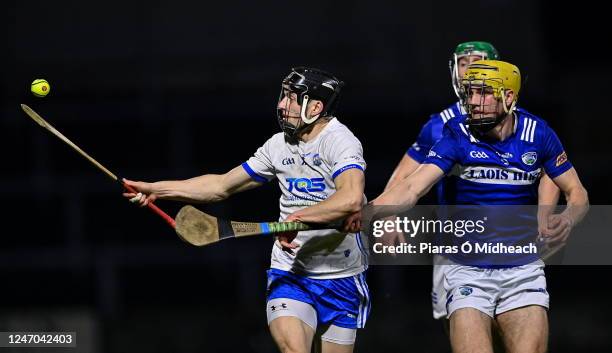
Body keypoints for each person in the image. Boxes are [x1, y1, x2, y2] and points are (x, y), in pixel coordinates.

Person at [123, 67, 370, 353]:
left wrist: (298, 218)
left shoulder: (340, 141)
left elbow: (351, 198)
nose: (281, 105)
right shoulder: (278, 146)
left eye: (291, 99)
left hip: (341, 276)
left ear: (315, 107)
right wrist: (157, 191)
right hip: (290, 272)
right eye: (283, 97)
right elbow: (220, 186)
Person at [368, 60, 588, 352]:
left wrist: (569, 219)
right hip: (467, 271)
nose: (472, 102)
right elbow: (411, 187)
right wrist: (367, 212)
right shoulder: (456, 133)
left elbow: (577, 194)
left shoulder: (539, 134)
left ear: (508, 97)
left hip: (522, 271)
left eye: (483, 93)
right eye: (470, 93)